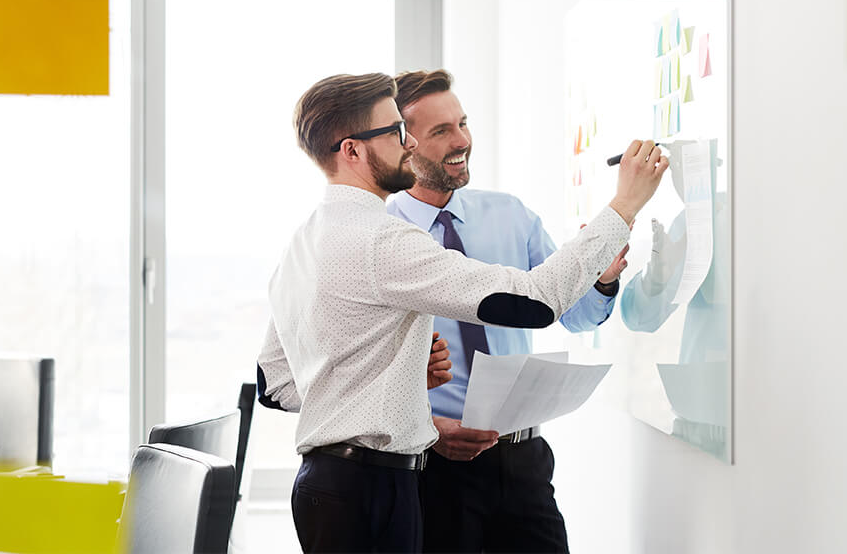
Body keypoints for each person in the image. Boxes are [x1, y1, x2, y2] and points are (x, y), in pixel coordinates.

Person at [257, 72, 666, 553]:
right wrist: (624, 203)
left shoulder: (305, 238)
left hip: (333, 486)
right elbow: (534, 303)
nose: (407, 146)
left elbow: (276, 384)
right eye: (395, 133)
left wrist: (394, 384)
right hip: (379, 487)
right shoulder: (382, 238)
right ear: (351, 150)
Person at [385, 69, 628, 553]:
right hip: (433, 465)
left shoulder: (511, 215)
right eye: (441, 131)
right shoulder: (381, 236)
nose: (463, 140)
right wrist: (429, 431)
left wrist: (602, 278)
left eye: (463, 123)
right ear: (403, 144)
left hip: (523, 459)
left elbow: (575, 314)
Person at [618, 139, 728, 455]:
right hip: (698, 420)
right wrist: (657, 276)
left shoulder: (776, 224)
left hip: (761, 414)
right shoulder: (696, 221)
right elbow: (641, 317)